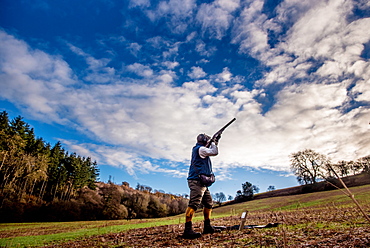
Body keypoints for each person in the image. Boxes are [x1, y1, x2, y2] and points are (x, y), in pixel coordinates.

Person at [182, 133, 221, 239]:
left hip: (201, 182)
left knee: (208, 204)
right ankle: (187, 230)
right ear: (205, 141)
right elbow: (215, 152)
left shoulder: (199, 149)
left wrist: (214, 142)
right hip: (196, 181)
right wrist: (214, 143)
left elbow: (211, 150)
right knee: (194, 204)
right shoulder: (201, 149)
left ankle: (207, 227)